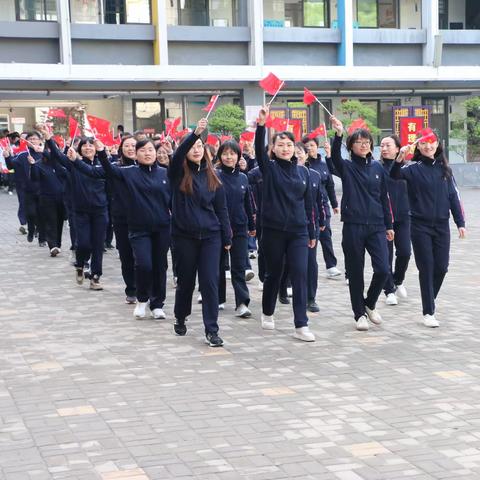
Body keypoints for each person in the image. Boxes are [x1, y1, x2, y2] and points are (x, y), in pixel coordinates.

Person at [391, 129, 466, 328]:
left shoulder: (445, 170)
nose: (427, 146)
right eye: (423, 143)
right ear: (418, 146)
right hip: (420, 226)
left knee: (442, 268)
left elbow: (453, 197)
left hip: (442, 226)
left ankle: (429, 299)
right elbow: (394, 174)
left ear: (437, 144)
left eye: (431, 142)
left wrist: (460, 222)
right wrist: (400, 157)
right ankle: (428, 311)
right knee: (427, 268)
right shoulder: (412, 169)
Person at [255, 106, 316, 342]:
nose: (285, 148)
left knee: (300, 273)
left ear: (295, 149)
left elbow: (308, 205)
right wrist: (261, 125)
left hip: (299, 231)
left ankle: (301, 324)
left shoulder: (303, 173)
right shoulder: (269, 169)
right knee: (274, 273)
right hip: (273, 231)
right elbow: (260, 154)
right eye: (280, 145)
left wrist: (311, 231)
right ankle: (267, 311)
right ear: (273, 149)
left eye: (289, 145)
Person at [169, 118, 231, 347]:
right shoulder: (176, 174)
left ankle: (211, 330)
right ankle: (180, 315)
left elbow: (221, 210)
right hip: (184, 236)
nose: (196, 150)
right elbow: (177, 156)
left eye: (200, 147)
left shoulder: (214, 176)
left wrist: (227, 236)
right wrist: (195, 134)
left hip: (211, 237)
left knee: (210, 283)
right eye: (192, 147)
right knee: (186, 282)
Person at [330, 116, 394, 331]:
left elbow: (384, 198)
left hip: (376, 226)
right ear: (351, 146)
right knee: (355, 272)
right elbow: (335, 158)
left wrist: (389, 225)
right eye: (359, 142)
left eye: (367, 142)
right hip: (353, 225)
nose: (364, 145)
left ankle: (370, 303)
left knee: (384, 269)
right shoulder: (346, 167)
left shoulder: (378, 168)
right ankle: (359, 314)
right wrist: (338, 134)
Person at [95, 138, 171, 319]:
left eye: (151, 150)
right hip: (139, 228)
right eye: (143, 150)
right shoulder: (129, 172)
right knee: (144, 264)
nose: (148, 153)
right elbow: (109, 170)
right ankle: (142, 299)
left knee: (160, 266)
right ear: (136, 154)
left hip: (162, 228)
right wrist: (101, 152)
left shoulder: (165, 174)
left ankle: (157, 304)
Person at [46, 132, 108, 290]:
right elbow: (59, 157)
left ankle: (95, 277)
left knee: (98, 245)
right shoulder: (73, 164)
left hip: (100, 211)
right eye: (84, 145)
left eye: (91, 145)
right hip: (80, 211)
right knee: (84, 244)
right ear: (79, 149)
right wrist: (49, 139)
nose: (88, 147)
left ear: (96, 148)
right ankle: (80, 264)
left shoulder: (104, 164)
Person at [216, 140, 256, 318]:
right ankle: (218, 299)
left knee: (239, 267)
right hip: (217, 228)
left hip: (239, 228)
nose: (228, 157)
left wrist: (252, 226)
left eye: (232, 154)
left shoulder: (243, 177)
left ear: (238, 156)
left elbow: (248, 203)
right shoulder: (214, 176)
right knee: (217, 266)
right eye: (225, 154)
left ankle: (242, 303)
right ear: (220, 156)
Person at [303, 135, 341, 279]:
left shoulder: (323, 165)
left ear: (316, 147)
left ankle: (331, 265)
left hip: (323, 207)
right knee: (309, 238)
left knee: (326, 235)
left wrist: (335, 204)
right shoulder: (303, 165)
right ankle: (307, 265)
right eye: (306, 147)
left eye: (312, 145)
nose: (309, 149)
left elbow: (330, 185)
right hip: (307, 208)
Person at [379, 135, 411, 306]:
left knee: (405, 252)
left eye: (388, 145)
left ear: (398, 148)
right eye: (382, 145)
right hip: (384, 219)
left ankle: (398, 280)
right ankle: (389, 290)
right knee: (386, 256)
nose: (384, 148)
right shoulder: (377, 167)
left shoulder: (407, 169)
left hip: (404, 216)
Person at [295, 142, 326, 312]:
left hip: (310, 224)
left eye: (302, 152)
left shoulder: (314, 175)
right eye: (296, 152)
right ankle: (283, 288)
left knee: (310, 262)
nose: (299, 155)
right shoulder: (285, 173)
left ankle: (310, 297)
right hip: (289, 225)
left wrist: (321, 222)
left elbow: (319, 200)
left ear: (307, 155)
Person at [110, 135, 138, 304]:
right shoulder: (116, 167)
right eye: (127, 145)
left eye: (134, 145)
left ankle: (144, 286)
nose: (130, 149)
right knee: (126, 254)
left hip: (143, 217)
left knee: (141, 256)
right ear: (121, 149)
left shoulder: (147, 166)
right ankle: (131, 288)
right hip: (121, 217)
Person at [28, 139, 67, 257]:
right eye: (49, 148)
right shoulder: (39, 164)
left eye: (54, 148)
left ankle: (57, 244)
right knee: (51, 221)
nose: (51, 151)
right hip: (46, 198)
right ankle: (52, 245)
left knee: (59, 222)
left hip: (61, 198)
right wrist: (32, 165)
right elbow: (34, 178)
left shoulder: (61, 164)